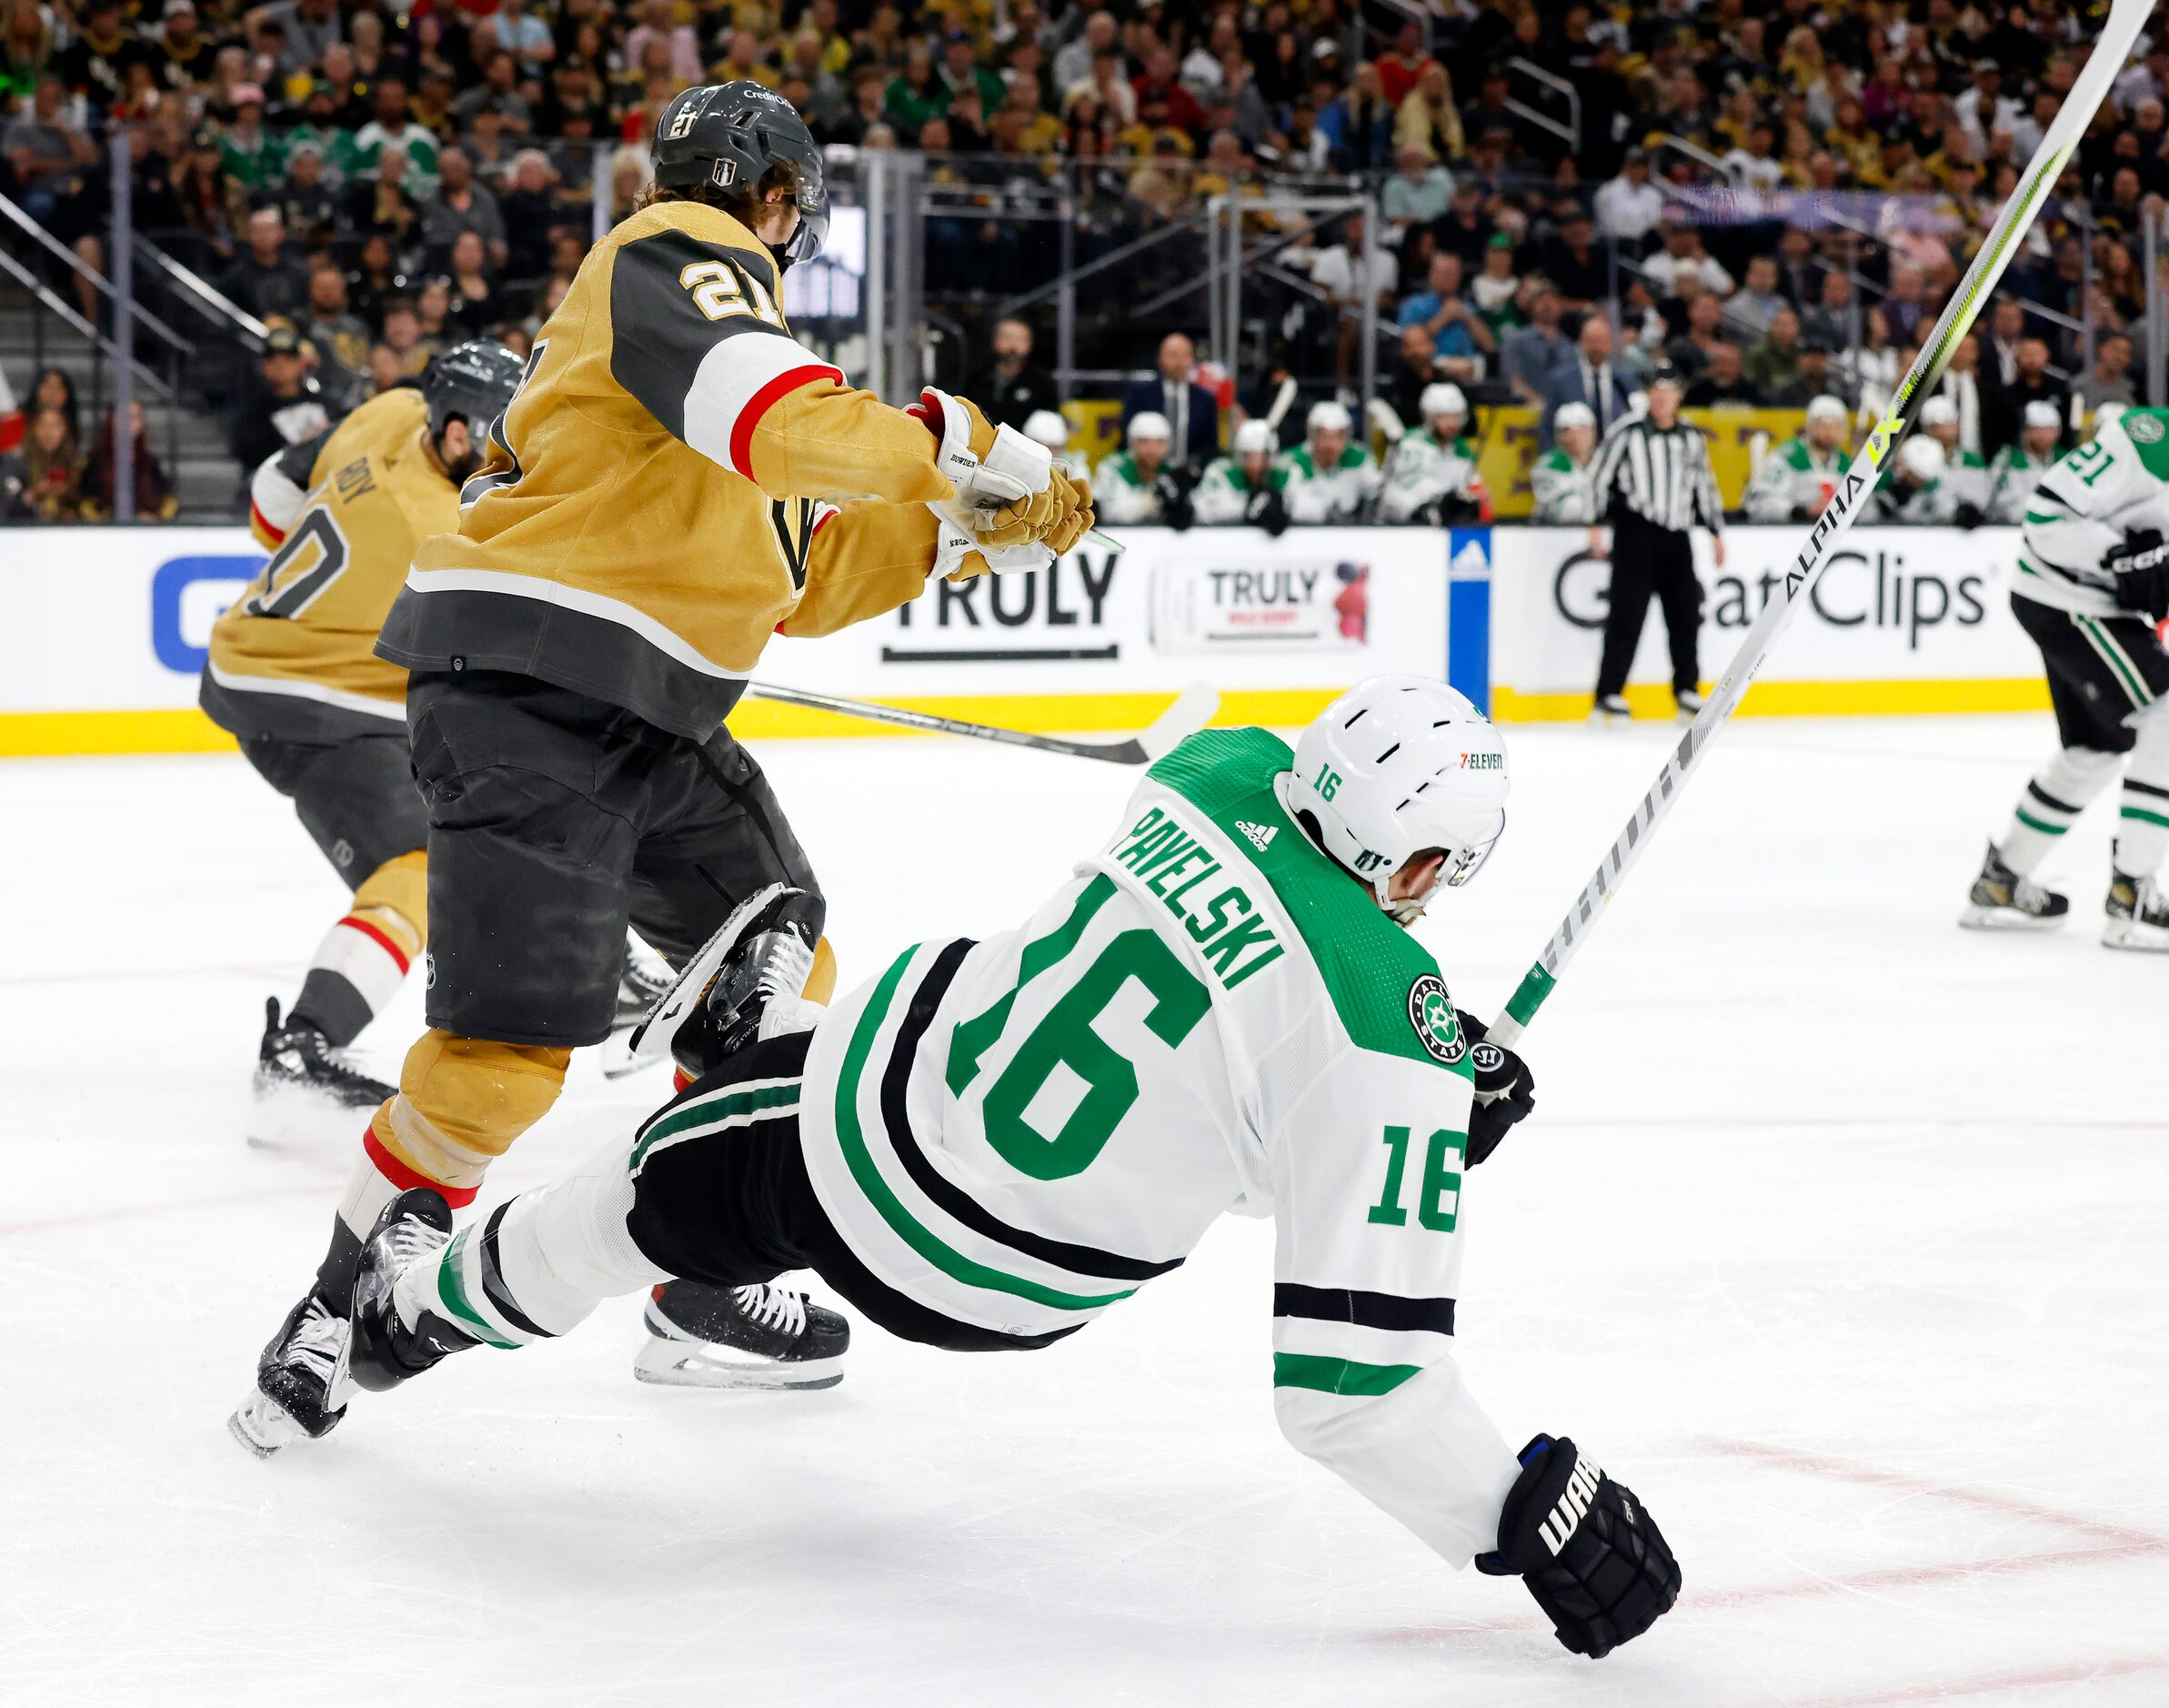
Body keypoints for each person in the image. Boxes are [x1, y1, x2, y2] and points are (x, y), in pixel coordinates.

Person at [336, 678, 1684, 1664]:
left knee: (625, 1203)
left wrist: (1426, 1084)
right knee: (808, 1131)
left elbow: (1246, 823)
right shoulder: (1383, 1032)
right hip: (1012, 1287)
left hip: (863, 1134)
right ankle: (764, 1043)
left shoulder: (1215, 773)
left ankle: (407, 1314)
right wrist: (1524, 1512)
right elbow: (1354, 1385)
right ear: (1433, 860)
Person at [229, 84, 1093, 1457]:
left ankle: (705, 1277)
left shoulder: (710, 351)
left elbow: (797, 571)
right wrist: (961, 448)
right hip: (538, 697)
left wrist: (967, 541)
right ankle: (335, 1309)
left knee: (781, 959)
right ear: (763, 187)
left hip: (638, 711)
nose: (791, 228)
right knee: (508, 1058)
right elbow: (788, 426)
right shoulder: (672, 253)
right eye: (792, 203)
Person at [203, 347, 521, 1144]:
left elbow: (274, 497)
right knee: (417, 868)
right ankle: (301, 1050)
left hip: (262, 657)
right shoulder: (440, 527)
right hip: (312, 702)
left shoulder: (388, 410)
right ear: (453, 429)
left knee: (464, 821)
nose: (504, 458)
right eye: (493, 439)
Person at [1961, 406, 2169, 950]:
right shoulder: (2149, 439)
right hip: (2065, 599)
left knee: (2097, 748)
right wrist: (2117, 559)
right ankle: (2133, 896)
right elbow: (2046, 513)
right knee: (2166, 713)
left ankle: (2000, 882)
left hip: (2091, 607)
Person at [1586, 362, 1724, 724]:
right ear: (1649, 395)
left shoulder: (1691, 437)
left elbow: (1703, 486)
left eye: (1670, 393)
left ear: (1678, 397)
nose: (1663, 400)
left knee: (1685, 616)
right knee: (1626, 615)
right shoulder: (1627, 432)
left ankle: (1686, 689)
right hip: (1637, 532)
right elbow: (1599, 477)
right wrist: (1596, 523)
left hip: (1677, 535)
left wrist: (1715, 531)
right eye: (1657, 392)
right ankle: (1609, 693)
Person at [1378, 383, 1486, 524]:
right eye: (1444, 417)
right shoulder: (1412, 443)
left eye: (1456, 417)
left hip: (1443, 526)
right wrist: (1441, 499)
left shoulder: (1462, 451)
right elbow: (1401, 488)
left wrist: (1470, 501)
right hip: (1401, 525)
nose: (1452, 424)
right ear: (1428, 416)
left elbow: (1473, 488)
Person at [1119, 332, 1218, 471]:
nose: (1179, 362)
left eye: (1185, 355)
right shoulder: (1140, 393)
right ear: (1160, 358)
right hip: (1144, 472)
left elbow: (1210, 445)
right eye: (1173, 355)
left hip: (1190, 476)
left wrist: (1191, 468)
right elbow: (1126, 434)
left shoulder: (1206, 399)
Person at [1744, 394, 1851, 524]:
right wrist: (1799, 511)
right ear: (1810, 426)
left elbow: (1868, 511)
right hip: (1790, 533)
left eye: (1835, 426)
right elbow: (1761, 503)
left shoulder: (1847, 463)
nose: (1828, 432)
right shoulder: (1787, 456)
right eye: (1822, 425)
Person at [1540, 314, 1637, 446]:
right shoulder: (1561, 381)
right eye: (1591, 340)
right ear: (1581, 342)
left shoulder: (1625, 381)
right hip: (1573, 460)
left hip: (1616, 457)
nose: (1596, 347)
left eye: (1601, 341)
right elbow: (1547, 428)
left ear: (1610, 344)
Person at [1280, 399, 1381, 523]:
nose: (1331, 445)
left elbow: (1378, 494)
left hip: (1348, 533)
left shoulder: (1360, 457)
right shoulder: (1292, 461)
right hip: (1304, 533)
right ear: (1312, 436)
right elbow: (1284, 505)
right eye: (1324, 436)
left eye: (1339, 437)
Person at [1190, 417, 1288, 531]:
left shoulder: (1286, 473)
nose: (1257, 465)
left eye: (1264, 457)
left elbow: (1306, 508)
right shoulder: (1219, 472)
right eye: (1250, 456)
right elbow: (1203, 511)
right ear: (1239, 456)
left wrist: (1281, 509)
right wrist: (1245, 508)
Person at [0, 406, 86, 521]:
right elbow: (6, 505)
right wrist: (35, 493)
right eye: (43, 425)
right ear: (33, 428)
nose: (49, 432)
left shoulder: (76, 462)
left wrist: (68, 493)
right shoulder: (15, 461)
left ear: (65, 429)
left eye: (55, 425)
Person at [1986, 399, 2064, 524]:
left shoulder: (2065, 460)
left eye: (2049, 429)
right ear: (2026, 432)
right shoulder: (2007, 459)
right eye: (2037, 429)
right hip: (2009, 529)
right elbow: (1994, 498)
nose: (2043, 435)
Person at [1093, 409, 1177, 525]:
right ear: (1132, 444)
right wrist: (1151, 502)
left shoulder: (1172, 471)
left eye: (1160, 443)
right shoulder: (1112, 467)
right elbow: (1108, 512)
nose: (1152, 450)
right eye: (1144, 442)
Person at [1916, 396, 1990, 525]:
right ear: (1926, 429)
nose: (1946, 431)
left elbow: (1982, 499)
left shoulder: (1972, 461)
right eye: (1937, 426)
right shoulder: (1915, 460)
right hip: (1925, 530)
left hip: (1966, 532)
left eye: (1950, 424)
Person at [981, 316, 1059, 432]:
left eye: (1020, 339)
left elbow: (1050, 424)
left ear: (1030, 344)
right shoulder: (977, 378)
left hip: (1026, 446)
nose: (1013, 346)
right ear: (995, 341)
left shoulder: (1041, 382)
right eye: (1007, 338)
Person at [1530, 401, 1599, 524]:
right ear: (1558, 435)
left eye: (1582, 430)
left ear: (1593, 432)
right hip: (1553, 530)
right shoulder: (1549, 463)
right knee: (1572, 505)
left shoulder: (1603, 461)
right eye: (1568, 431)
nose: (1575, 437)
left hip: (1599, 530)